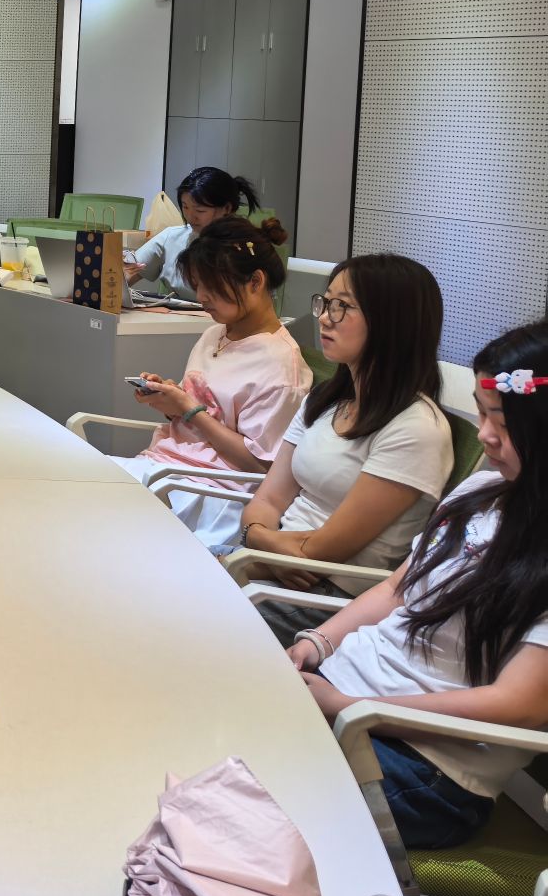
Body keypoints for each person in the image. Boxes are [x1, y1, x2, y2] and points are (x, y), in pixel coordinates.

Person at [295, 321, 548, 852]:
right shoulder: (486, 488)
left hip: (425, 767)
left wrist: (351, 705)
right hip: (349, 701)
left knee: (232, 770)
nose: (485, 435)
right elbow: (398, 589)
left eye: (502, 422)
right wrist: (318, 642)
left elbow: (520, 705)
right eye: (480, 414)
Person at [235, 257, 451, 633]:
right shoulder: (326, 400)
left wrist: (258, 541)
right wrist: (259, 540)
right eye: (326, 302)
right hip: (270, 563)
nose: (324, 317)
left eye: (343, 306)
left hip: (327, 596)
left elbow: (323, 553)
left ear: (391, 322)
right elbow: (267, 500)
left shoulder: (417, 428)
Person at [116, 216, 309, 545]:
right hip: (166, 468)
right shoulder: (214, 334)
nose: (201, 296)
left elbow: (260, 465)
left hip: (213, 490)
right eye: (197, 284)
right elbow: (201, 411)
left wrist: (188, 409)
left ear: (255, 282)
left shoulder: (281, 365)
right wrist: (170, 400)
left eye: (211, 286)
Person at [128, 165, 261, 299]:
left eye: (200, 210)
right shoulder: (172, 236)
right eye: (185, 207)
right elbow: (128, 273)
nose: (190, 217)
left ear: (227, 208)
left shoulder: (246, 247)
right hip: (175, 312)